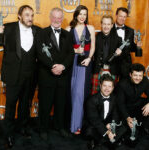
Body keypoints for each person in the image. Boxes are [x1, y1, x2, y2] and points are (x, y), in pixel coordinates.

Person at [0, 5, 40, 147]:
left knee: (24, 105)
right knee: (10, 106)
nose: (30, 18)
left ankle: (22, 127)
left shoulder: (37, 30)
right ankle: (8, 134)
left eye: (32, 15)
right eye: (27, 15)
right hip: (13, 76)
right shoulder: (8, 28)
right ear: (19, 16)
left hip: (30, 75)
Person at [36, 7, 74, 139]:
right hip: (47, 74)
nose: (57, 20)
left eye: (59, 18)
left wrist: (62, 66)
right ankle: (43, 129)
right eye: (55, 17)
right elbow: (40, 53)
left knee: (60, 104)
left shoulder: (68, 34)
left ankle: (59, 127)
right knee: (45, 104)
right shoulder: (42, 33)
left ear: (62, 19)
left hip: (62, 75)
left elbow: (71, 53)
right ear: (50, 18)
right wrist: (52, 66)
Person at [65, 5, 95, 134]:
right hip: (72, 64)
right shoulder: (68, 29)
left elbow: (93, 46)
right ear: (76, 14)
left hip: (84, 64)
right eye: (80, 14)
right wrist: (75, 50)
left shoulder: (91, 28)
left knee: (80, 94)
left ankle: (78, 125)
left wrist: (89, 58)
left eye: (85, 14)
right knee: (71, 93)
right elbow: (65, 49)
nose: (83, 17)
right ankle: (71, 123)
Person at [82, 74, 119, 150]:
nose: (107, 89)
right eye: (104, 85)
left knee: (123, 127)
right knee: (89, 131)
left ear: (113, 88)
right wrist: (107, 132)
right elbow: (94, 120)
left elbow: (116, 114)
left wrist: (111, 124)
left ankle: (102, 140)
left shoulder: (115, 98)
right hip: (95, 124)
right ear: (100, 85)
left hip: (106, 123)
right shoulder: (91, 100)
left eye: (109, 86)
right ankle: (104, 140)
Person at [116, 63, 149, 142]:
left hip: (137, 104)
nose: (138, 78)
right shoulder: (122, 84)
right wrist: (127, 117)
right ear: (130, 74)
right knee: (131, 139)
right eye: (135, 75)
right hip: (126, 109)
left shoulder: (145, 80)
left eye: (140, 75)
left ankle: (145, 127)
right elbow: (120, 104)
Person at [91, 15, 122, 95]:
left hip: (112, 71)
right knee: (95, 94)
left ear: (112, 25)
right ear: (101, 24)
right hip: (98, 70)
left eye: (108, 24)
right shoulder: (95, 37)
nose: (106, 26)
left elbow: (124, 57)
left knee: (111, 95)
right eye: (104, 24)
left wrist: (120, 53)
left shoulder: (118, 39)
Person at [111, 7, 142, 78]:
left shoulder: (131, 31)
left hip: (126, 66)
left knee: (124, 88)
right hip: (112, 65)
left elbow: (131, 48)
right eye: (120, 16)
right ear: (116, 15)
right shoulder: (109, 29)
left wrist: (137, 46)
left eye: (124, 17)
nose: (122, 18)